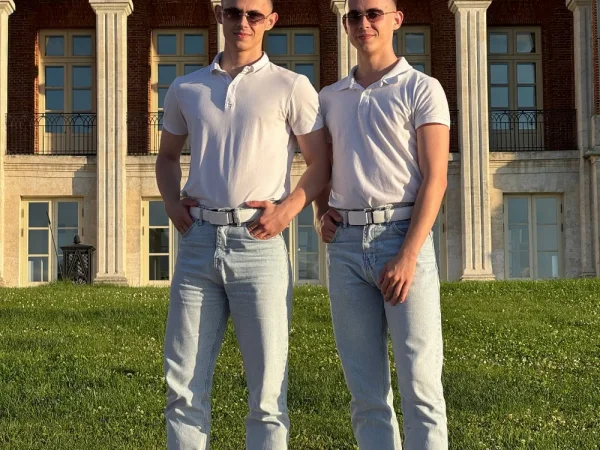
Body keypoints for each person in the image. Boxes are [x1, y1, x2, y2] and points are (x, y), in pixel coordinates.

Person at [155, 0, 329, 447]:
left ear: (271, 21)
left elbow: (320, 162)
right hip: (198, 244)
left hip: (259, 243)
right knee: (183, 386)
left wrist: (287, 210)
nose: (243, 22)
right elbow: (168, 156)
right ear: (219, 15)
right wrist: (173, 205)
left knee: (268, 393)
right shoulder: (186, 87)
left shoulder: (291, 86)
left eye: (254, 15)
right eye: (234, 12)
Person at [315, 0, 450, 448]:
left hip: (401, 235)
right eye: (354, 16)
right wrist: (320, 211)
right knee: (366, 394)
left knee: (421, 386)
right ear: (346, 24)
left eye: (373, 13)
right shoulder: (329, 98)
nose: (364, 23)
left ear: (396, 19)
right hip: (346, 247)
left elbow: (435, 178)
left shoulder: (422, 88)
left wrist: (409, 254)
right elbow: (320, 166)